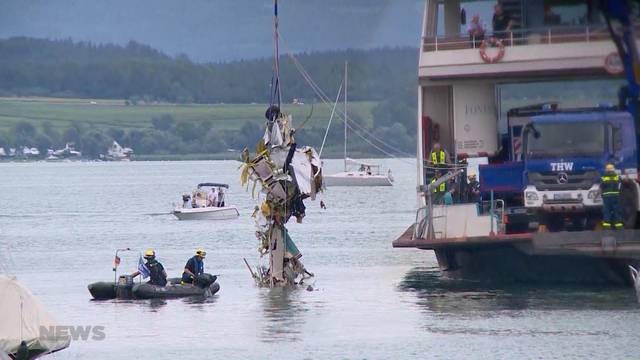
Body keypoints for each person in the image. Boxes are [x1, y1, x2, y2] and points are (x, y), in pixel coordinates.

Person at [600, 163, 624, 230]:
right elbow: (622, 183)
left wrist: (600, 195)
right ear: (613, 170)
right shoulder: (617, 176)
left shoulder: (603, 178)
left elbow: (601, 187)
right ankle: (618, 226)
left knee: (607, 211)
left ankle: (607, 226)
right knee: (616, 210)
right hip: (615, 196)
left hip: (607, 197)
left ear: (606, 170)